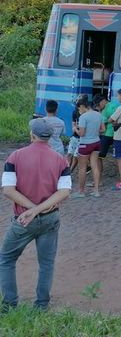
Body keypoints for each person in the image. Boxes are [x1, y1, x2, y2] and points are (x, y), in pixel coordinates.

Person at [0, 118, 71, 311]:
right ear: (49, 137)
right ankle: (41, 305)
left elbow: (8, 190)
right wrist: (39, 210)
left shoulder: (15, 157)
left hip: (23, 220)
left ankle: (9, 304)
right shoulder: (60, 159)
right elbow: (64, 191)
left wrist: (31, 210)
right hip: (50, 218)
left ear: (32, 135)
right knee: (46, 263)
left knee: (6, 259)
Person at [72, 98, 104, 198]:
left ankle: (81, 192)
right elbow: (103, 129)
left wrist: (75, 129)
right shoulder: (99, 114)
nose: (78, 110)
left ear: (82, 106)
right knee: (95, 166)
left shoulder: (83, 117)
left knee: (82, 168)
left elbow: (82, 133)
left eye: (79, 108)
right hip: (96, 142)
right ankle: (96, 191)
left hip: (85, 144)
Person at [92, 94, 118, 186]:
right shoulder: (109, 106)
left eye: (98, 105)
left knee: (98, 157)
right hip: (109, 134)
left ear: (103, 101)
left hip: (107, 135)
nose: (98, 107)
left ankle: (98, 181)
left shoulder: (111, 107)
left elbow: (115, 120)